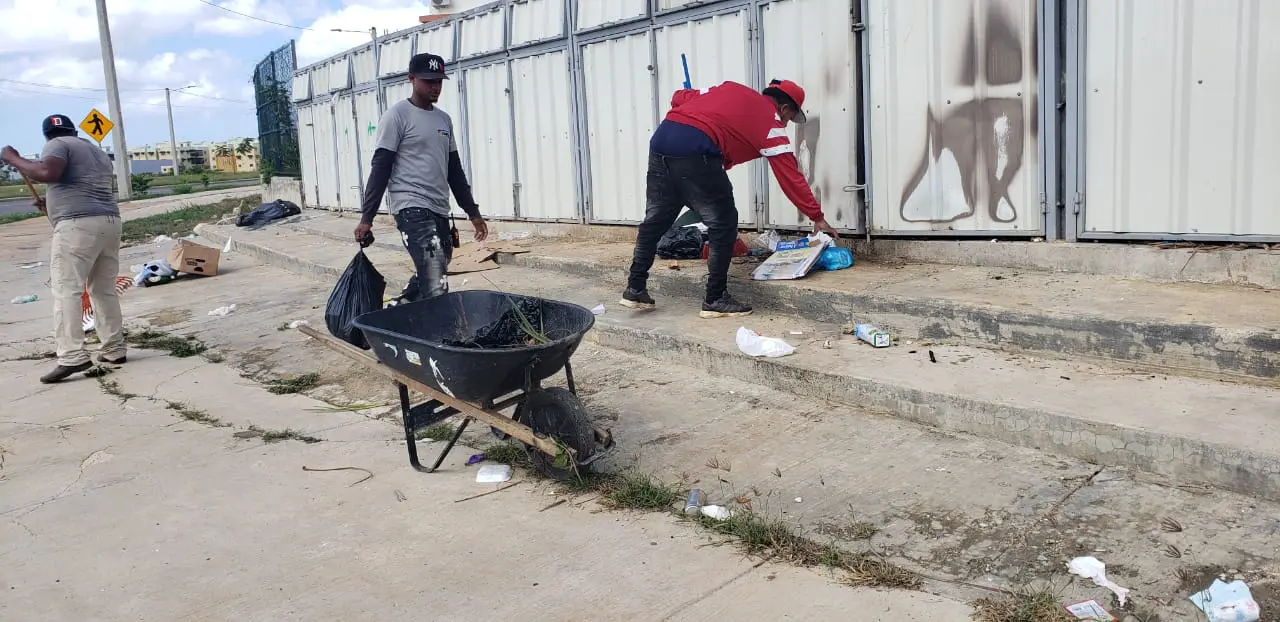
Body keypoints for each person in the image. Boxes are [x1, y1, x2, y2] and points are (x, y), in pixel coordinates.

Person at [622, 79, 838, 319]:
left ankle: (635, 288)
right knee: (723, 224)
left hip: (663, 140)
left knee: (655, 221)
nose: (786, 124)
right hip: (697, 149)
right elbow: (790, 175)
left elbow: (679, 96)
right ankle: (715, 298)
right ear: (785, 108)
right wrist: (817, 217)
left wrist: (702, 113)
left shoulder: (728, 89)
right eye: (789, 118)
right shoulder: (770, 121)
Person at [353, 52, 487, 304]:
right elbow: (380, 167)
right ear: (412, 79)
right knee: (434, 272)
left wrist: (473, 212)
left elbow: (454, 171)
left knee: (435, 267)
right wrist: (366, 218)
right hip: (411, 207)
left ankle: (395, 313)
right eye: (428, 81)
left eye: (439, 81)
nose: (435, 87)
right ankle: (439, 336)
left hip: (439, 207)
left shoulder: (443, 119)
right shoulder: (397, 116)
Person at [1, 114, 126, 383]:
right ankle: (114, 348)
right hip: (108, 221)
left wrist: (12, 158)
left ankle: (72, 356)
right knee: (103, 289)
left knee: (66, 289)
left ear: (46, 136)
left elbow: (48, 173)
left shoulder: (57, 146)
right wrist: (51, 205)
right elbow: (79, 185)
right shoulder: (95, 150)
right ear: (74, 131)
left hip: (78, 226)